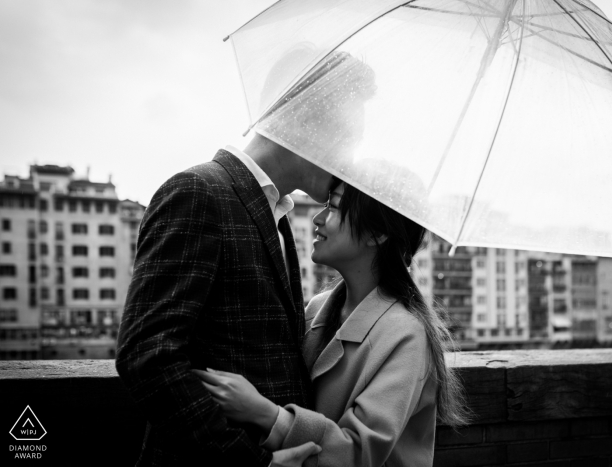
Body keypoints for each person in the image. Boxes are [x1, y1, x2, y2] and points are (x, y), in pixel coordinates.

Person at [116, 51, 376, 466]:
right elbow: (148, 357)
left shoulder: (275, 213)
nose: (350, 162)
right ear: (304, 119)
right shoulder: (198, 192)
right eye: (348, 139)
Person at [194, 180, 471, 466]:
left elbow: (357, 453)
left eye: (334, 207)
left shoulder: (406, 335)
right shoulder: (317, 310)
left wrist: (263, 413)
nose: (318, 218)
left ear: (377, 233)